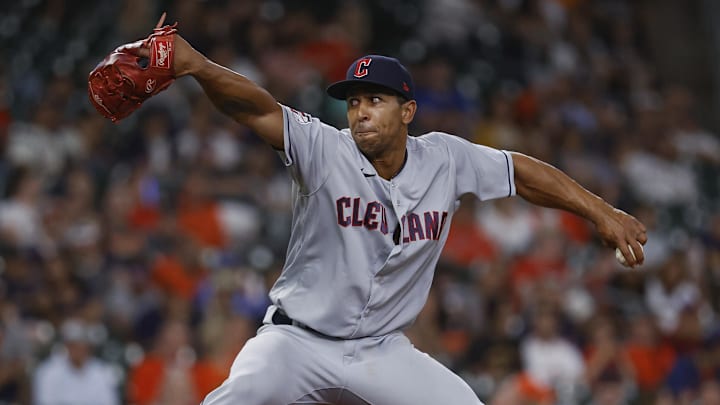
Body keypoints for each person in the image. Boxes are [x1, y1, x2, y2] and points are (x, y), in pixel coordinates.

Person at [129, 22, 647, 405]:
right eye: (353, 102)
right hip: (296, 341)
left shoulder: (444, 158)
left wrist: (599, 211)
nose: (359, 112)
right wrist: (195, 65)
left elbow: (522, 172)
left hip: (381, 352)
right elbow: (258, 108)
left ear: (408, 112)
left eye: (374, 99)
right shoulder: (325, 149)